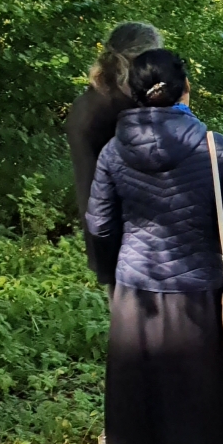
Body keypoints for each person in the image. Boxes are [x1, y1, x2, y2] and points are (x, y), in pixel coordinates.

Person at [85, 48, 223, 444]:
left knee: (141, 400)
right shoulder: (211, 146)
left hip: (136, 293)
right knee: (196, 399)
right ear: (185, 90)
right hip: (196, 290)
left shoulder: (114, 151)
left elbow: (99, 224)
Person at [68, 22, 161, 287]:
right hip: (142, 240)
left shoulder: (85, 104)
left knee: (125, 321)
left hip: (104, 234)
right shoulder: (130, 109)